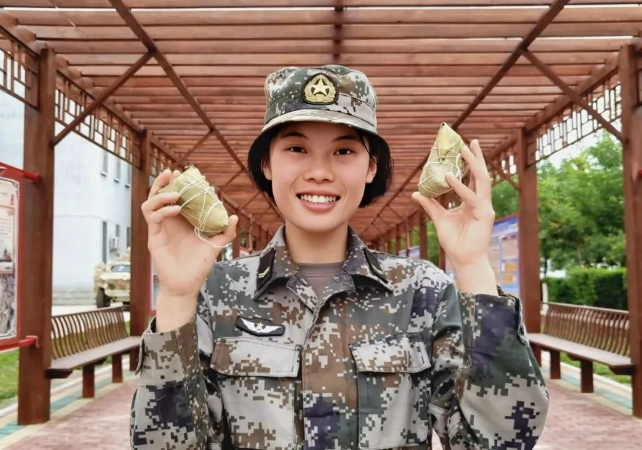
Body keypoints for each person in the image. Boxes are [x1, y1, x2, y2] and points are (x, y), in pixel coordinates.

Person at [130, 65, 549, 450]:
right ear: (267, 164)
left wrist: (473, 267)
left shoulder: (422, 291)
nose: (320, 172)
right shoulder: (216, 291)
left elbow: (501, 442)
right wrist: (177, 297)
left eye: (344, 151)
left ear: (371, 168)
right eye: (296, 148)